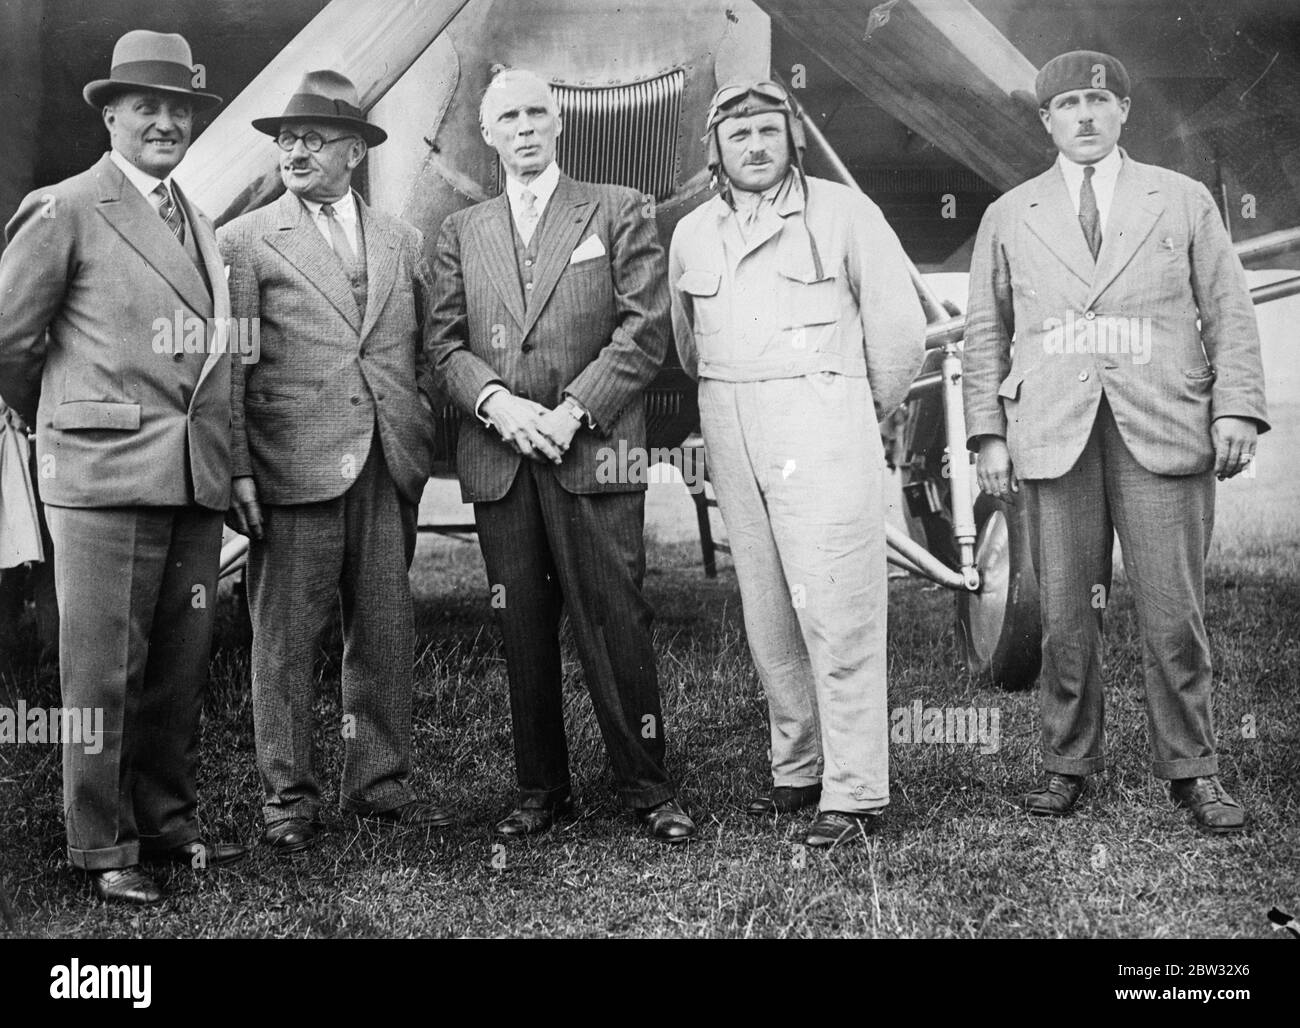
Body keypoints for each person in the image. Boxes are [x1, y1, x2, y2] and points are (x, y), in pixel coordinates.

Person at [963, 50, 1269, 834]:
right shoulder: (1012, 212)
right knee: (1065, 615)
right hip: (1054, 434)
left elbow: (1229, 310)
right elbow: (985, 334)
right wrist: (987, 433)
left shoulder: (1184, 200)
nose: (1086, 116)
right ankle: (1068, 764)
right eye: (1067, 103)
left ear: (1125, 110)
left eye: (1100, 100)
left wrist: (1235, 408)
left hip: (1164, 428)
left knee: (1175, 615)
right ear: (1046, 120)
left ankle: (1194, 770)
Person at [0, 30, 245, 905]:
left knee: (180, 663)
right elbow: (9, 343)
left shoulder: (201, 221)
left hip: (190, 478)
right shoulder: (64, 207)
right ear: (110, 115)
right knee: (99, 671)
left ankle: (167, 822)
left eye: (179, 109)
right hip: (101, 479)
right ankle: (102, 846)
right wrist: (67, 423)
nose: (166, 122)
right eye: (148, 106)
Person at [427, 68, 695, 843]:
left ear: (560, 122)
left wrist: (573, 411)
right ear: (487, 133)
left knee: (617, 618)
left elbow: (645, 330)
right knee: (523, 624)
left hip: (593, 451)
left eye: (538, 112)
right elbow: (443, 345)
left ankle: (647, 788)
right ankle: (540, 788)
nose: (525, 127)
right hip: (503, 456)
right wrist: (501, 407)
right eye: (508, 116)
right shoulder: (462, 231)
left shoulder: (617, 207)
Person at [668, 81, 925, 847]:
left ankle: (854, 793)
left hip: (821, 420)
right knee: (769, 607)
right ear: (715, 148)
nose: (755, 145)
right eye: (738, 132)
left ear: (793, 139)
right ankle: (798, 769)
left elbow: (899, 332)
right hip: (731, 418)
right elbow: (688, 344)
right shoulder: (692, 234)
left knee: (838, 607)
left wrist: (851, 412)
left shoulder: (845, 214)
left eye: (768, 131)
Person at [220, 71, 445, 855]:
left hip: (386, 465)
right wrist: (238, 470)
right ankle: (288, 800)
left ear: (355, 150)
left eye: (314, 138)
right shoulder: (244, 241)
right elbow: (230, 370)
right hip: (290, 469)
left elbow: (418, 349)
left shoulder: (401, 238)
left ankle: (378, 786)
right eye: (286, 139)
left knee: (383, 630)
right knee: (283, 643)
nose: (295, 150)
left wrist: (411, 423)